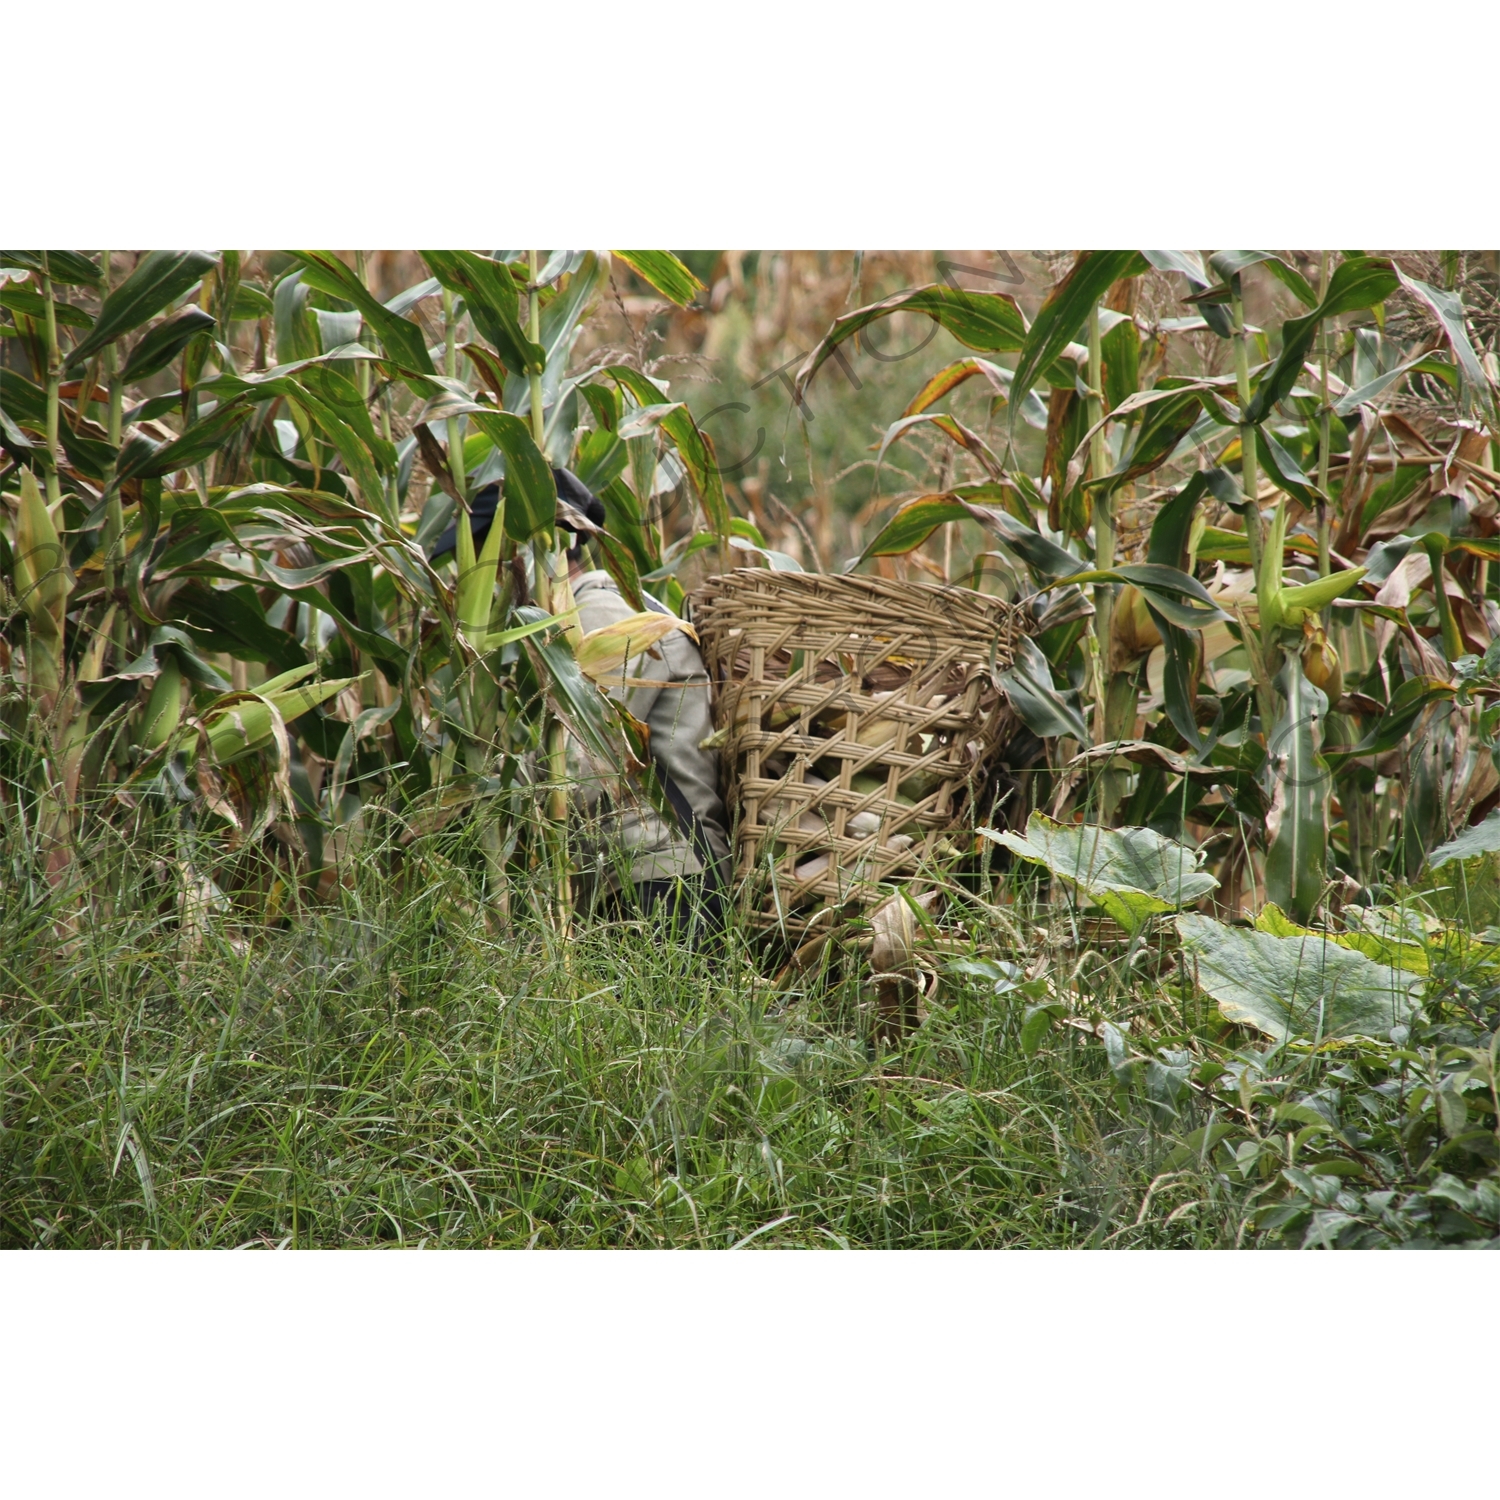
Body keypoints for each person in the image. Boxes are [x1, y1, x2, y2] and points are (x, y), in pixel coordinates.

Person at [432, 468, 731, 939]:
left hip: (669, 882)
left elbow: (580, 768)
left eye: (488, 554)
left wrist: (481, 795)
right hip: (639, 879)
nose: (479, 580)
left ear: (540, 545)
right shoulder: (573, 625)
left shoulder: (602, 617)